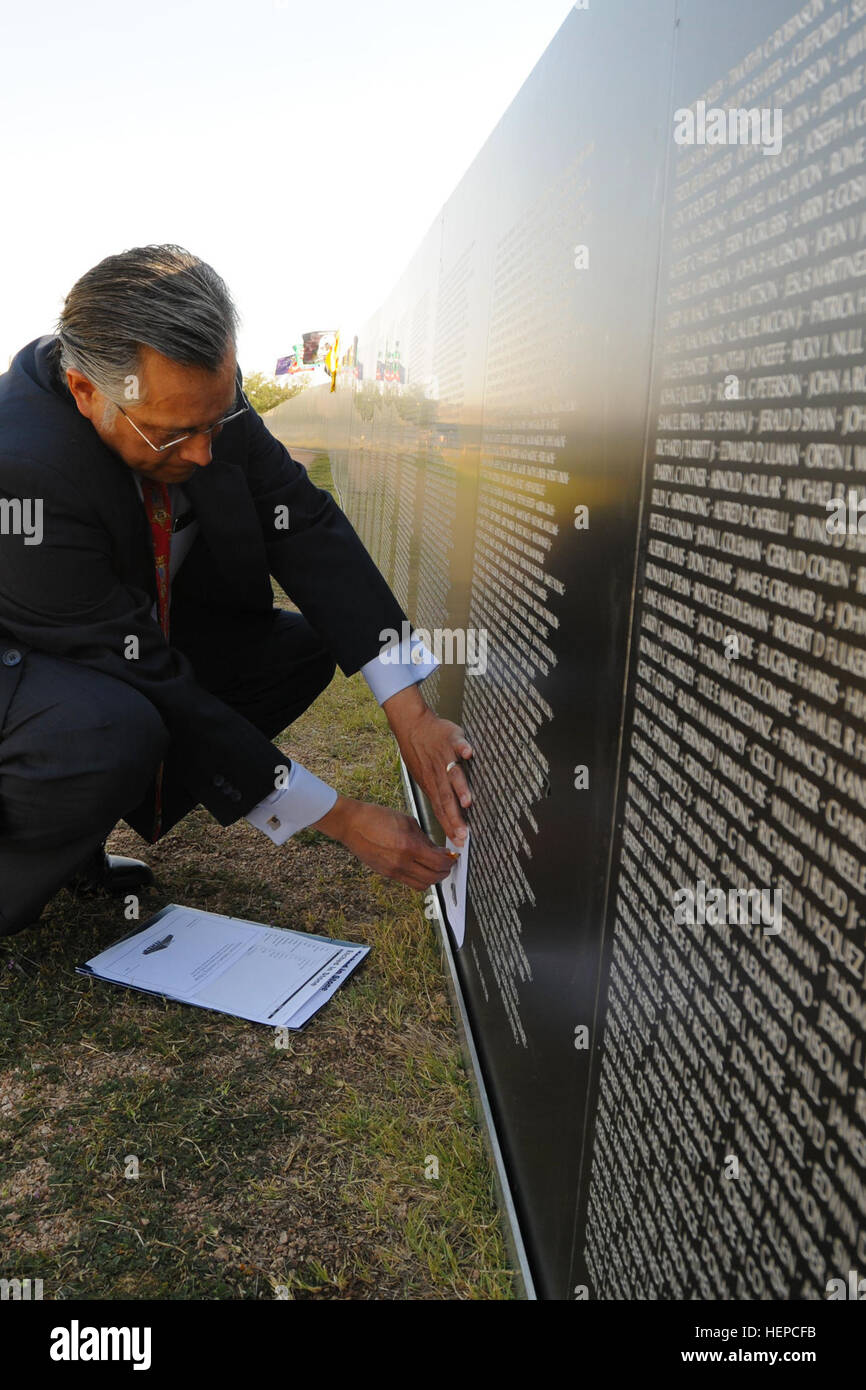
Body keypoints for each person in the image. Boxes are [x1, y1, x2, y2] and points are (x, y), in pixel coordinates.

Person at [0, 245, 473, 936]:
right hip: (21, 676)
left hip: (100, 656)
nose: (203, 454)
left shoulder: (191, 396)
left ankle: (75, 845)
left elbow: (303, 525)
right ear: (84, 392)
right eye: (175, 434)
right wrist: (341, 820)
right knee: (106, 727)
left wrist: (413, 717)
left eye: (215, 420)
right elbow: (144, 675)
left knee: (294, 649)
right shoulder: (25, 469)